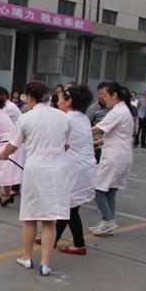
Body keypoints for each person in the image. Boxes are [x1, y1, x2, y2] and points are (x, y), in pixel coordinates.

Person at [0, 81, 71, 276]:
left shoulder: (26, 118)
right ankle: (45, 264)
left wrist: (3, 154)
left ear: (30, 97)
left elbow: (13, 145)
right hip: (58, 167)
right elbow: (67, 145)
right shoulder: (63, 116)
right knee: (50, 219)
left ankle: (27, 257)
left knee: (30, 216)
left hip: (36, 167)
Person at [48, 85, 96, 255]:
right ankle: (52, 238)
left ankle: (79, 245)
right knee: (69, 205)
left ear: (68, 102)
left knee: (69, 207)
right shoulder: (82, 117)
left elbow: (55, 142)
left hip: (75, 168)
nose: (57, 102)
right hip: (84, 167)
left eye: (60, 99)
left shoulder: (66, 118)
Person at [88, 82, 135, 236]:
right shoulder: (124, 110)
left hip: (114, 156)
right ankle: (106, 223)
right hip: (123, 155)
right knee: (110, 191)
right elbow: (119, 134)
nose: (103, 98)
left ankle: (108, 220)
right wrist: (100, 142)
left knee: (97, 189)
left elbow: (97, 129)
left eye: (105, 95)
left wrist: (77, 131)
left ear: (114, 95)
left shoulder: (117, 112)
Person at [87, 82, 110, 163]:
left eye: (104, 94)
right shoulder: (93, 109)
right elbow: (87, 125)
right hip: (97, 145)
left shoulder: (114, 108)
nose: (102, 96)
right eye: (100, 94)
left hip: (110, 145)